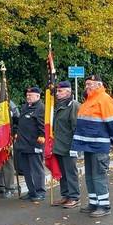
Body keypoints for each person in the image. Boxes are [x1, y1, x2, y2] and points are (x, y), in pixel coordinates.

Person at [72, 75, 113, 218]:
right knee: (90, 175)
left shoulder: (104, 99)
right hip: (88, 144)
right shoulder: (89, 99)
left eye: (90, 84)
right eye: (86, 84)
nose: (87, 86)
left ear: (98, 85)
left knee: (98, 175)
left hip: (99, 144)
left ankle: (104, 205)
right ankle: (94, 202)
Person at [52, 81, 81, 209]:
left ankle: (75, 197)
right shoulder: (59, 106)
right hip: (59, 145)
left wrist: (75, 147)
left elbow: (76, 127)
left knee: (70, 172)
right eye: (57, 91)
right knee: (63, 172)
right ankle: (66, 195)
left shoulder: (73, 106)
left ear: (68, 92)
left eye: (60, 91)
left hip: (69, 145)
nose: (57, 94)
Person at [15, 87, 46, 202]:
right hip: (24, 144)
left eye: (31, 95)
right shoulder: (26, 107)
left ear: (38, 96)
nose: (28, 97)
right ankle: (32, 191)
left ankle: (40, 191)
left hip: (34, 145)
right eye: (27, 95)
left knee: (36, 169)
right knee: (27, 170)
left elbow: (43, 129)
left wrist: (39, 145)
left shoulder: (40, 109)